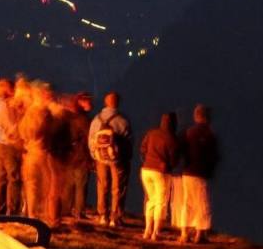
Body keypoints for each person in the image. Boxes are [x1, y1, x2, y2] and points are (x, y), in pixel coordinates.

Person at [88, 91, 133, 227]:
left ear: (105, 102)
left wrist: (94, 155)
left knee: (102, 186)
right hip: (118, 160)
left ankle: (103, 215)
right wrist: (126, 157)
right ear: (117, 103)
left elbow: (91, 140)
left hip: (100, 158)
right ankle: (115, 217)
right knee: (117, 188)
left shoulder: (96, 119)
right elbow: (129, 141)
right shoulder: (123, 120)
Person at [18, 81, 59, 225]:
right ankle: (40, 216)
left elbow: (22, 131)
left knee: (32, 186)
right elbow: (39, 131)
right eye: (47, 94)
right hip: (41, 153)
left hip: (31, 152)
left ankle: (32, 215)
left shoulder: (30, 112)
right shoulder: (43, 113)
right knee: (44, 186)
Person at [179, 105, 220, 244]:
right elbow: (213, 157)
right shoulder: (209, 134)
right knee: (202, 203)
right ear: (207, 117)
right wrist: (211, 171)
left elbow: (181, 150)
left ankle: (184, 233)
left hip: (187, 172)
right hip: (200, 173)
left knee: (187, 203)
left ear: (195, 116)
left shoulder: (188, 132)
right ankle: (200, 235)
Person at [140, 111, 181, 241]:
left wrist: (147, 159)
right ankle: (156, 232)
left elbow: (142, 149)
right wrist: (168, 166)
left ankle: (147, 230)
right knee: (161, 202)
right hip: (160, 172)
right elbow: (174, 160)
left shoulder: (151, 133)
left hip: (146, 170)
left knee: (151, 200)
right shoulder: (172, 139)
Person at [0, 78, 22, 215]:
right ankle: (12, 210)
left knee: (0, 177)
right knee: (13, 177)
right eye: (11, 88)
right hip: (6, 144)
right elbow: (10, 128)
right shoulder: (5, 105)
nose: (13, 90)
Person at [61, 92, 93, 219]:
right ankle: (79, 211)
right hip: (81, 155)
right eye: (87, 100)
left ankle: (66, 209)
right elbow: (89, 138)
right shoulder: (83, 119)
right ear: (79, 101)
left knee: (69, 184)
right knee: (81, 185)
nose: (90, 103)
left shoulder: (68, 118)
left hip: (69, 155)